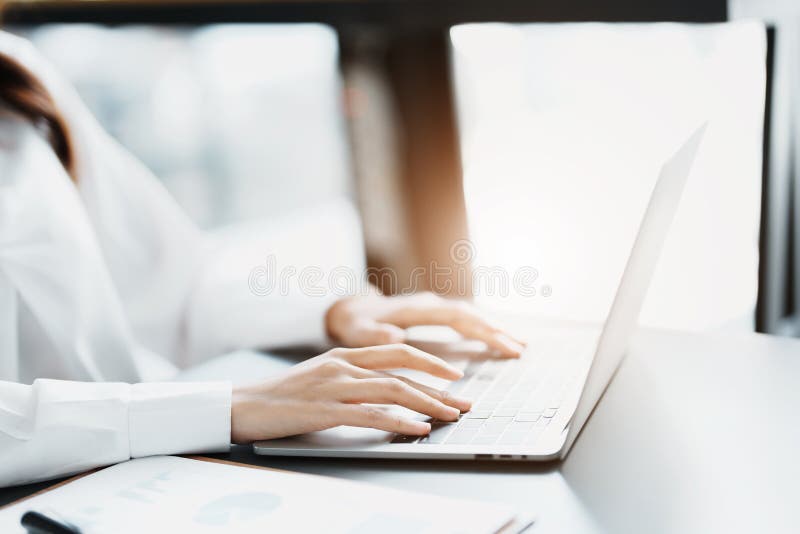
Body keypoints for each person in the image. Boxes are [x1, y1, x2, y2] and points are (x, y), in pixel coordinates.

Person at [0, 31, 524, 487]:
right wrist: (227, 407)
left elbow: (176, 287)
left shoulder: (16, 74)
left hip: (148, 471)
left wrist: (331, 315)